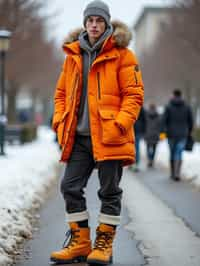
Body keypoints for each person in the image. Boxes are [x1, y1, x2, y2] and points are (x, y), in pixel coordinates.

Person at [50, 0, 144, 264]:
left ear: (106, 24)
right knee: (69, 187)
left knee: (109, 191)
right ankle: (80, 243)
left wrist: (120, 124)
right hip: (79, 138)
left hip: (110, 136)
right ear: (85, 23)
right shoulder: (72, 56)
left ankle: (104, 245)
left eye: (99, 21)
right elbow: (60, 94)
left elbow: (134, 95)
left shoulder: (124, 55)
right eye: (90, 20)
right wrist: (59, 120)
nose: (94, 25)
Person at [161, 89, 193, 181]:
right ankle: (177, 173)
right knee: (179, 153)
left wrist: (163, 132)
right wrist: (189, 131)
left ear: (173, 95)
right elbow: (190, 121)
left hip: (171, 134)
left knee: (172, 153)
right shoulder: (187, 107)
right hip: (183, 134)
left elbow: (163, 120)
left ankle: (172, 173)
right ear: (181, 95)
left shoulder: (168, 106)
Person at [145, 103, 161, 168]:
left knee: (148, 148)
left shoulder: (146, 115)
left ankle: (149, 159)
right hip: (155, 134)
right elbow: (160, 125)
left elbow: (144, 124)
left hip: (147, 133)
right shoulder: (158, 115)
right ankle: (152, 160)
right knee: (154, 148)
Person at [133, 107, 146, 172]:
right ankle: (135, 163)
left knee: (135, 147)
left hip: (134, 129)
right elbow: (144, 119)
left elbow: (144, 119)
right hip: (137, 130)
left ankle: (134, 163)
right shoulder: (140, 106)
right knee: (136, 147)